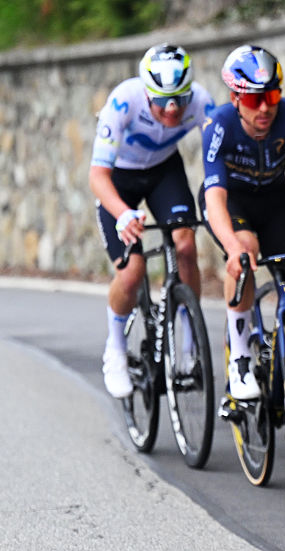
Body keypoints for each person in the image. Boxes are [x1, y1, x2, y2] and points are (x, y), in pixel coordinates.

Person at [90, 43, 214, 398]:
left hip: (163, 171)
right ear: (147, 93)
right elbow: (97, 176)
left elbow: (217, 159)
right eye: (162, 101)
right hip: (120, 178)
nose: (172, 109)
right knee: (132, 272)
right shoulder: (123, 101)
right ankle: (115, 350)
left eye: (180, 99)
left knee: (185, 243)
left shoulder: (201, 101)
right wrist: (122, 213)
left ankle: (188, 340)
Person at [200, 44, 285, 399]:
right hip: (232, 200)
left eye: (271, 96)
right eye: (252, 99)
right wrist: (232, 247)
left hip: (275, 199)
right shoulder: (219, 125)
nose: (264, 108)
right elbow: (214, 196)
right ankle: (240, 359)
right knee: (245, 251)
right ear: (235, 98)